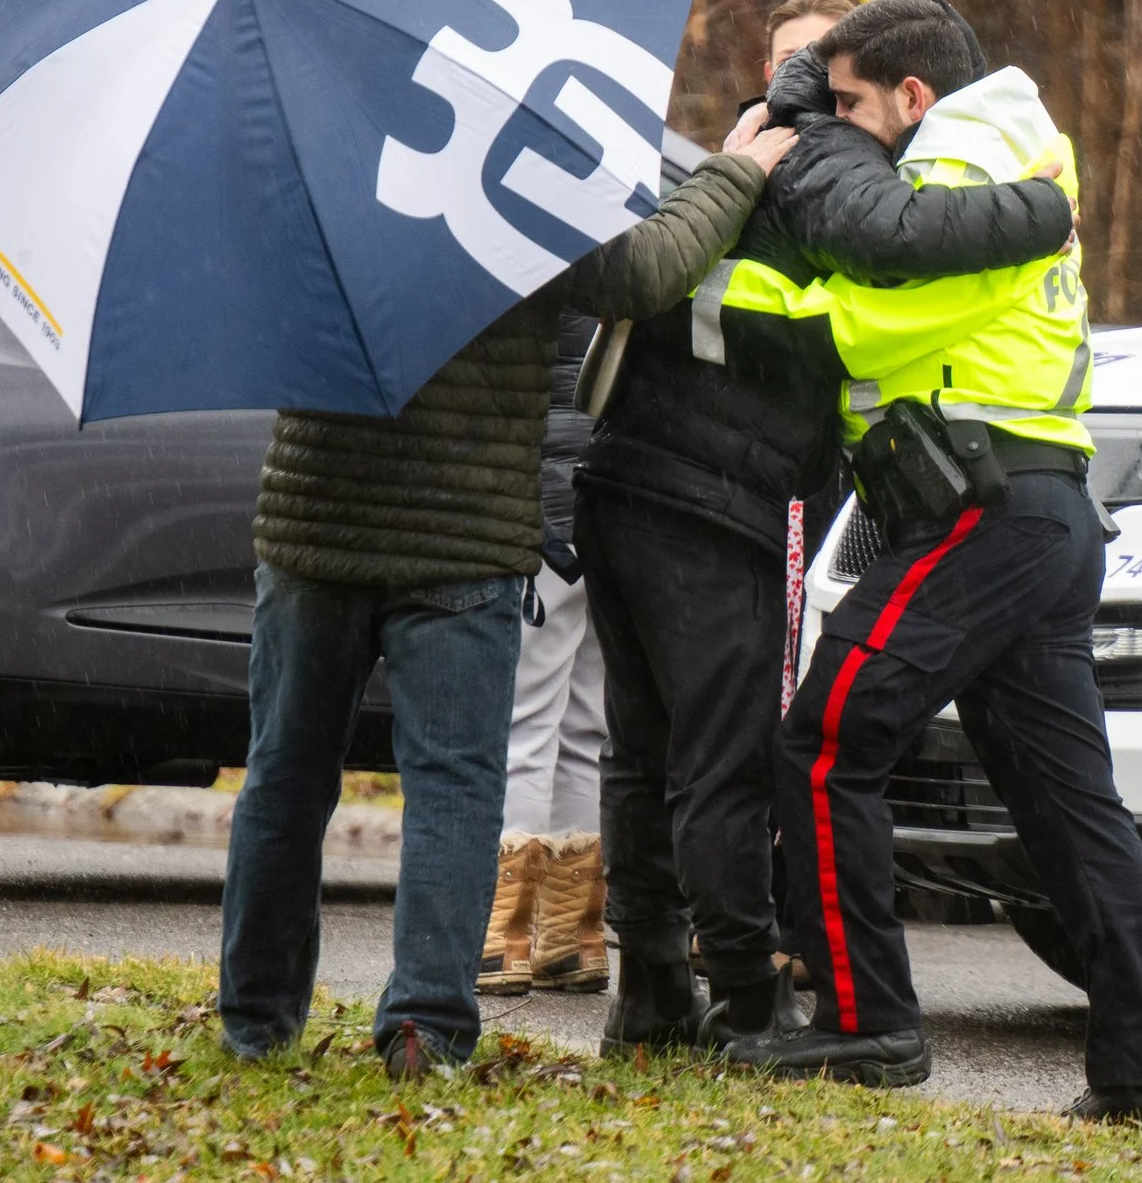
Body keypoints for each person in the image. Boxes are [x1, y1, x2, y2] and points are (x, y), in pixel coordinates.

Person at [218, 126, 794, 1075]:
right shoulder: (513, 169)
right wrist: (736, 170)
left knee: (284, 779)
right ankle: (424, 1028)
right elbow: (648, 271)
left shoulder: (317, 146)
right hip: (461, 531)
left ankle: (255, 1022)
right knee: (453, 787)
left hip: (315, 518)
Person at [716, 0, 1142, 1133]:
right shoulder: (1003, 142)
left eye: (850, 106)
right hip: (1035, 512)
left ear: (914, 97)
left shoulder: (971, 146)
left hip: (987, 509)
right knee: (1073, 811)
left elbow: (885, 301)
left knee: (827, 742)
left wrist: (757, 288)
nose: (838, 126)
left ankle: (866, 1024)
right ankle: (1139, 1078)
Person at [574, 0, 1076, 1056]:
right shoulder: (814, 165)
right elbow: (901, 235)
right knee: (722, 758)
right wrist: (1046, 208)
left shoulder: (726, 164)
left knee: (646, 750)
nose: (826, 107)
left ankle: (654, 986)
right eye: (810, 77)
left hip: (629, 482)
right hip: (712, 496)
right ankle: (751, 996)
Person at [479, 311, 608, 997]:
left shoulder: (535, 240)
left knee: (523, 723)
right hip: (605, 504)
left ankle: (502, 936)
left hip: (541, 512)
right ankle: (574, 938)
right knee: (587, 727)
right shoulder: (636, 217)